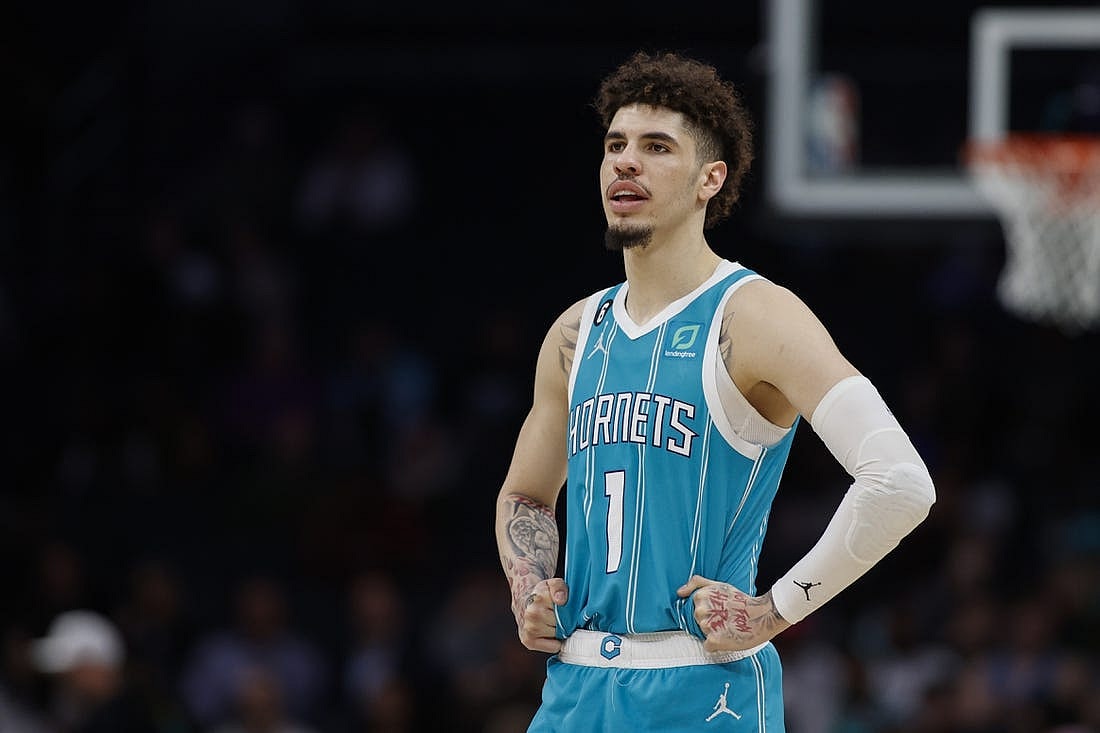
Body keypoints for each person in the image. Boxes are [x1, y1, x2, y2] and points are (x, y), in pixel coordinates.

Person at [494, 50, 937, 731]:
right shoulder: (574, 333)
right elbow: (525, 494)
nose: (625, 162)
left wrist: (772, 609)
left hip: (703, 690)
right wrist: (528, 584)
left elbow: (901, 481)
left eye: (655, 147)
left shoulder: (755, 315)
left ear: (711, 178)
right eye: (615, 145)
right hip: (576, 688)